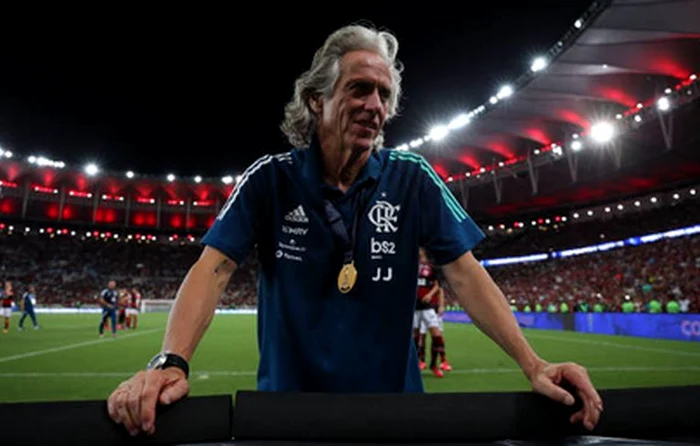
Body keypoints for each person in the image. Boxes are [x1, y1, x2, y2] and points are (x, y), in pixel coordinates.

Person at [107, 24, 602, 437]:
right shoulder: (269, 179)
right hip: (287, 419)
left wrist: (533, 364)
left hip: (396, 417)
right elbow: (212, 268)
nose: (374, 105)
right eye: (359, 88)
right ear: (316, 100)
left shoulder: (414, 179)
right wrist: (172, 361)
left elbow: (466, 274)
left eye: (384, 94)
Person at [414, 248, 447, 378]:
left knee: (437, 335)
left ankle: (434, 365)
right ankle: (416, 363)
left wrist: (430, 294)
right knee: (415, 338)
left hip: (428, 307)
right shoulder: (408, 265)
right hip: (414, 307)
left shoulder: (431, 267)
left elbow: (438, 285)